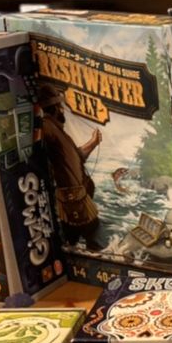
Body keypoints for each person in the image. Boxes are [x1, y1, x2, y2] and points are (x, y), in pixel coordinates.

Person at [40, 90, 102, 248]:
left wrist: (93, 142)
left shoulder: (59, 131)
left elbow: (77, 157)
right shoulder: (47, 125)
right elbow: (41, 138)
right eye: (60, 106)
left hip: (79, 195)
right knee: (90, 230)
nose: (62, 109)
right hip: (72, 198)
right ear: (54, 108)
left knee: (81, 236)